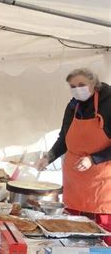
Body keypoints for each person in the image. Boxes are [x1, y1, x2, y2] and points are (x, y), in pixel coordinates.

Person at [35, 68, 111, 245]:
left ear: (94, 84)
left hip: (103, 184)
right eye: (73, 86)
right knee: (73, 235)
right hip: (75, 182)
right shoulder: (73, 105)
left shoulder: (109, 103)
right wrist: (49, 157)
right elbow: (64, 138)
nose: (77, 89)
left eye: (82, 85)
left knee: (102, 238)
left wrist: (93, 159)